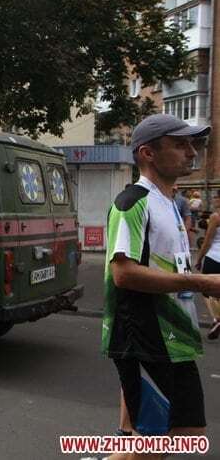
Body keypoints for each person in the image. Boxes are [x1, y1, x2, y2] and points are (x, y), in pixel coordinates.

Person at [101, 113, 220, 460]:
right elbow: (123, 274)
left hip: (175, 338)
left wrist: (202, 287)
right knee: (151, 443)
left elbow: (170, 266)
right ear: (147, 153)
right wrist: (201, 281)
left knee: (187, 432)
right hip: (145, 337)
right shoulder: (132, 203)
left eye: (192, 144)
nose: (191, 152)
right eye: (180, 144)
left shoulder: (168, 202)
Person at [194, 190, 220, 340]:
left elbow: (207, 242)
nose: (215, 199)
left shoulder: (216, 217)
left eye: (217, 196)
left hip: (214, 258)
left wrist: (198, 259)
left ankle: (216, 318)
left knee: (205, 290)